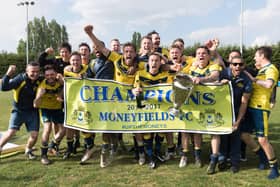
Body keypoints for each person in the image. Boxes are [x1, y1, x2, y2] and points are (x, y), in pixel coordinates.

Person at [84, 24, 144, 168]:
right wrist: (90, 34)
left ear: (136, 54)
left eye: (131, 51)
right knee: (108, 126)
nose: (128, 53)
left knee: (137, 128)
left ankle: (142, 153)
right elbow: (101, 47)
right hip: (116, 101)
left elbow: (157, 66)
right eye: (126, 51)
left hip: (133, 100)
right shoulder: (117, 59)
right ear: (123, 52)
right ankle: (106, 153)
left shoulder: (141, 65)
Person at [241, 46, 279, 179]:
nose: (254, 58)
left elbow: (269, 85)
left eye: (256, 55)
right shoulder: (262, 69)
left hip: (261, 107)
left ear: (262, 55)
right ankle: (262, 156)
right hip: (252, 106)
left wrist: (254, 79)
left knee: (262, 139)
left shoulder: (271, 69)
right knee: (244, 134)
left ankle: (274, 167)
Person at [132, 52, 173, 169]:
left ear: (160, 63)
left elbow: (170, 91)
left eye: (156, 60)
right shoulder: (140, 74)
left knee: (162, 129)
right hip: (146, 108)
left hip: (160, 108)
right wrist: (135, 91)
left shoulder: (166, 75)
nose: (154, 63)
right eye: (152, 60)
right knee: (146, 132)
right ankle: (149, 156)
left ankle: (157, 151)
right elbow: (135, 88)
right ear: (148, 62)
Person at [186, 46, 222, 174]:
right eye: (198, 54)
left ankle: (214, 159)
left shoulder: (213, 66)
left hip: (212, 105)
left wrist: (201, 79)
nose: (201, 55)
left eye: (203, 53)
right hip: (197, 105)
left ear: (208, 55)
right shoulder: (193, 68)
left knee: (214, 131)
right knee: (197, 130)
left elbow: (214, 76)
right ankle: (198, 156)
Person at [0, 62, 42, 159]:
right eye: (32, 71)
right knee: (11, 132)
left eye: (37, 71)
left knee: (34, 135)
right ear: (27, 71)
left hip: (32, 112)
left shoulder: (40, 80)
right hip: (18, 111)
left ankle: (28, 150)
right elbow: (4, 87)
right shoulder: (20, 79)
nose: (35, 74)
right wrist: (8, 74)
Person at [218, 56, 252, 173]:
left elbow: (244, 102)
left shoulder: (246, 80)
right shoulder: (223, 74)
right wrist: (220, 83)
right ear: (230, 65)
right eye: (235, 64)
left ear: (244, 66)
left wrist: (238, 121)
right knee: (223, 136)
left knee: (235, 137)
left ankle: (235, 163)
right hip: (222, 111)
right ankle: (222, 159)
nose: (238, 66)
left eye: (241, 64)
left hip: (237, 110)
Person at [63, 51, 95, 164]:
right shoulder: (67, 71)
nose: (75, 62)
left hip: (84, 103)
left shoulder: (87, 69)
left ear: (81, 60)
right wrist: (77, 76)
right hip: (70, 103)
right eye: (73, 60)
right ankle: (70, 148)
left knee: (83, 124)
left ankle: (90, 146)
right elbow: (65, 74)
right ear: (70, 61)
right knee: (70, 126)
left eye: (77, 60)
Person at [33, 65, 65, 165]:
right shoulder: (42, 86)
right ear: (45, 76)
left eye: (52, 74)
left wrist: (61, 95)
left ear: (56, 74)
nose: (50, 77)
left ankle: (52, 145)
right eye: (47, 75)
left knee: (64, 130)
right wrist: (39, 96)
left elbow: (66, 88)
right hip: (46, 109)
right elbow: (35, 105)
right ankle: (44, 155)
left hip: (57, 109)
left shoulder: (60, 83)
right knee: (47, 128)